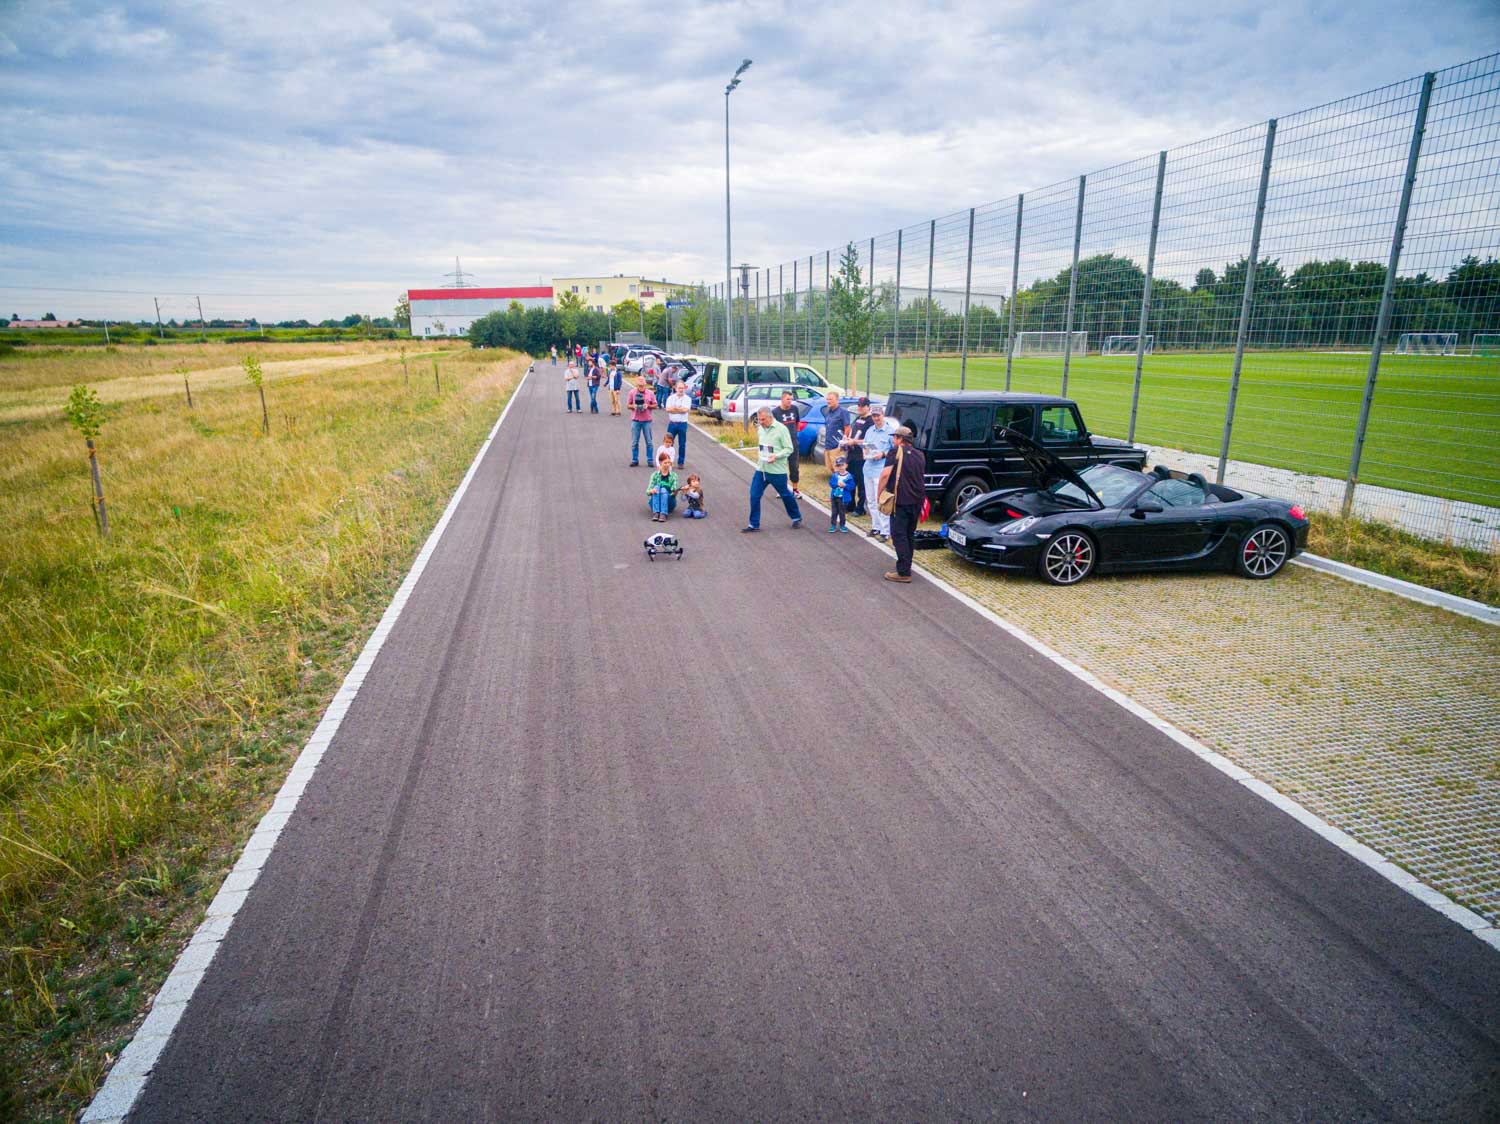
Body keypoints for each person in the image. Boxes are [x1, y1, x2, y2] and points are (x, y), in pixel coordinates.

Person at [742, 407, 803, 532]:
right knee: (754, 495)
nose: (761, 422)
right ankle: (754, 524)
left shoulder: (781, 429)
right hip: (762, 469)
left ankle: (796, 517)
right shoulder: (760, 429)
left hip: (777, 471)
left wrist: (776, 456)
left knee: (785, 495)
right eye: (759, 419)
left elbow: (789, 449)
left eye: (763, 419)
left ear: (770, 417)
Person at [880, 425, 928, 582]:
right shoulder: (920, 454)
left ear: (900, 439)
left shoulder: (895, 452)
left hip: (901, 500)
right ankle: (907, 565)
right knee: (909, 534)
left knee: (898, 535)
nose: (893, 440)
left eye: (895, 437)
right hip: (916, 500)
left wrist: (879, 493)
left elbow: (885, 474)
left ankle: (903, 572)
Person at [861, 402, 898, 540]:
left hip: (880, 471)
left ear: (883, 415)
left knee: (881, 501)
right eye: (874, 416)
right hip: (868, 468)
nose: (876, 418)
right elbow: (865, 444)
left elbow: (893, 451)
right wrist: (865, 450)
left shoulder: (889, 432)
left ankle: (885, 531)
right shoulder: (870, 430)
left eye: (878, 416)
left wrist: (882, 454)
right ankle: (875, 527)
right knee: (870, 500)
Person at [844, 397, 874, 515]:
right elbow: (852, 433)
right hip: (852, 455)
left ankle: (860, 508)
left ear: (868, 407)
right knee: (850, 481)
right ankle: (850, 505)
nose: (860, 408)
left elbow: (868, 441)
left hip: (861, 457)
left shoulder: (870, 421)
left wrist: (855, 442)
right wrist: (847, 440)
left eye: (862, 406)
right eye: (859, 405)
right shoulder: (857, 418)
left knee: (862, 484)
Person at [770, 390, 803, 496]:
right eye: (788, 399)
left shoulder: (794, 409)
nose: (790, 401)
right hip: (781, 444)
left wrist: (795, 436)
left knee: (794, 466)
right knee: (781, 467)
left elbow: (798, 423)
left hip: (793, 442)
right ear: (782, 399)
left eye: (791, 399)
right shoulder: (775, 412)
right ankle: (782, 489)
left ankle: (795, 489)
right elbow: (772, 428)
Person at [628, 378, 658, 466]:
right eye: (639, 385)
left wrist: (648, 406)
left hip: (647, 420)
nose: (641, 387)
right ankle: (634, 459)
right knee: (634, 441)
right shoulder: (632, 392)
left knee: (649, 442)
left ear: (645, 384)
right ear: (637, 384)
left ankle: (650, 460)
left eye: (642, 385)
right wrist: (634, 406)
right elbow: (628, 405)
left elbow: (656, 405)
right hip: (636, 419)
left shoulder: (650, 393)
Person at [664, 379, 692, 466]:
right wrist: (679, 409)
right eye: (679, 388)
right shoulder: (670, 398)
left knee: (682, 444)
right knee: (668, 443)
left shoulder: (687, 399)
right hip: (672, 423)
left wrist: (674, 409)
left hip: (682, 424)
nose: (681, 390)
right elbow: (668, 409)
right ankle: (668, 461)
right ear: (675, 388)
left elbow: (685, 410)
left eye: (682, 388)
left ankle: (681, 462)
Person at [821, 391, 851, 474]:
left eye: (830, 399)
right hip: (828, 446)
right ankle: (836, 485)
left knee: (839, 469)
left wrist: (842, 443)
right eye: (827, 399)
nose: (828, 401)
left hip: (837, 447)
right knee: (830, 467)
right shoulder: (828, 411)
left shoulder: (843, 412)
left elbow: (847, 427)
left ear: (837, 400)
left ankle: (841, 485)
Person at [648, 454, 678, 522]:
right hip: (655, 500)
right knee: (656, 487)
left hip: (669, 501)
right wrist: (651, 491)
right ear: (660, 462)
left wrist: (675, 491)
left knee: (663, 489)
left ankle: (663, 513)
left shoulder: (674, 475)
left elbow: (673, 492)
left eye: (669, 462)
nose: (667, 465)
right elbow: (647, 491)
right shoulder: (655, 475)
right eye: (665, 463)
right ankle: (656, 512)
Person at [828, 456, 855, 533]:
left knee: (842, 512)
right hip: (835, 497)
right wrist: (837, 484)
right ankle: (833, 525)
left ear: (846, 465)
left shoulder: (849, 476)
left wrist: (845, 486)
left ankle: (842, 525)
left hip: (844, 498)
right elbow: (831, 483)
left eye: (842, 465)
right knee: (834, 512)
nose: (840, 467)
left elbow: (852, 486)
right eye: (838, 466)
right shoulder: (835, 475)